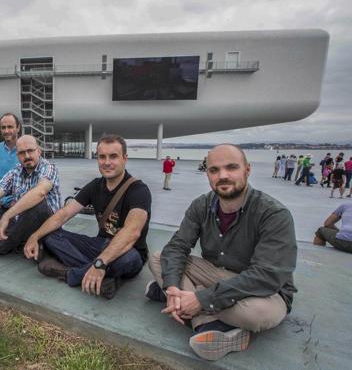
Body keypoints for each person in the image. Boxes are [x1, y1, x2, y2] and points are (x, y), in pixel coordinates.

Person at [146, 144, 297, 361]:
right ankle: (203, 321)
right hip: (215, 274)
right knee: (159, 258)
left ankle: (183, 302)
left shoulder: (273, 214)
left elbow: (268, 275)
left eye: (231, 168)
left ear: (247, 170)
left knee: (255, 315)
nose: (222, 176)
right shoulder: (202, 205)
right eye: (214, 170)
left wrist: (202, 297)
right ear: (207, 174)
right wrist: (172, 286)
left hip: (260, 291)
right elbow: (177, 247)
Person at [24, 134, 151, 299]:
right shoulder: (95, 186)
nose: (107, 162)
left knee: (127, 259)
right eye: (102, 157)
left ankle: (72, 274)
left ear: (124, 159)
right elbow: (63, 214)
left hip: (130, 251)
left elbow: (132, 232)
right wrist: (35, 235)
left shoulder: (138, 190)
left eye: (113, 156)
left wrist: (100, 263)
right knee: (50, 236)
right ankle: (105, 278)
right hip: (100, 244)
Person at [0, 113, 21, 208]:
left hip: (22, 200)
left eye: (10, 127)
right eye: (3, 127)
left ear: (18, 128)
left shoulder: (25, 147)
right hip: (3, 199)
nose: (6, 131)